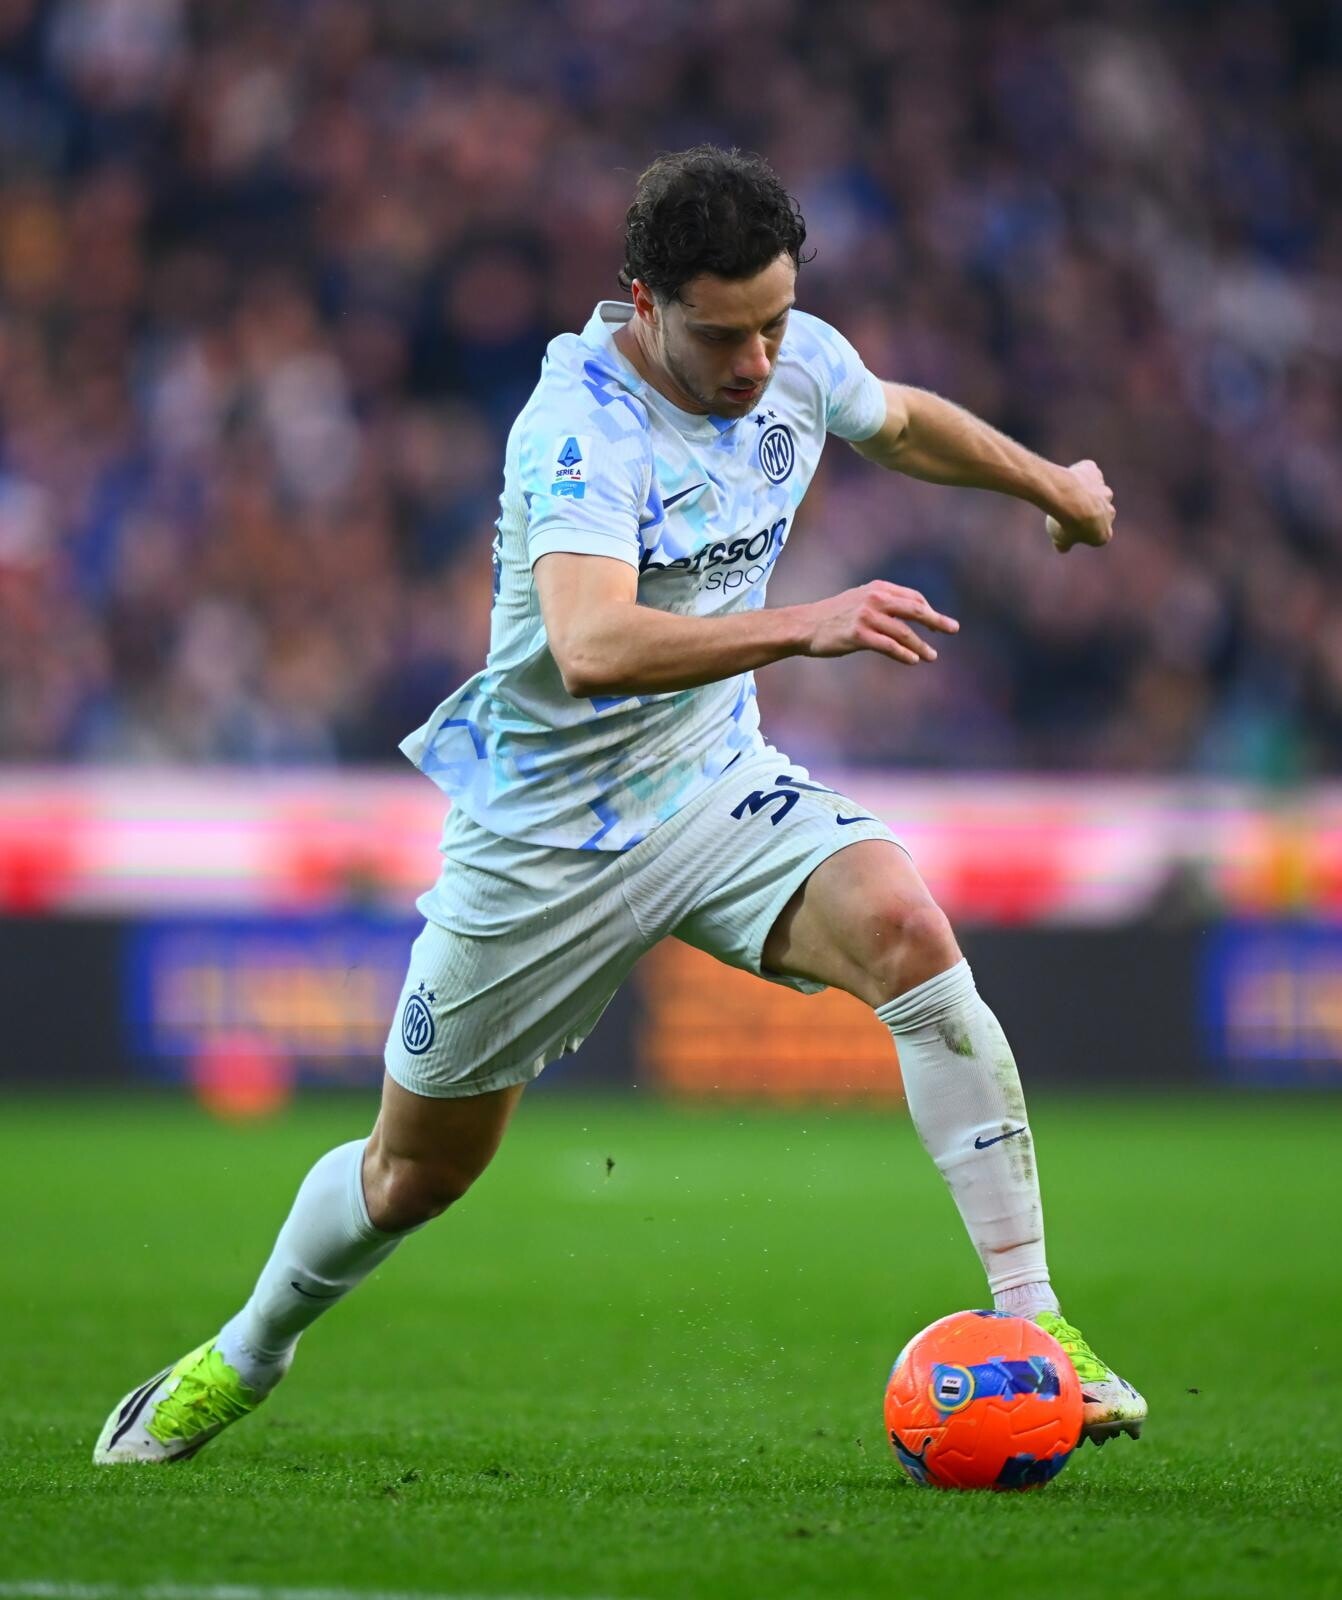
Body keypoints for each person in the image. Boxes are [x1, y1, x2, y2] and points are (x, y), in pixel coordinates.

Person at [95, 146, 1144, 1466]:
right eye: (724, 334)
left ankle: (1038, 1324)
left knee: (907, 932)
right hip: (542, 840)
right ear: (644, 303)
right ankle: (244, 1353)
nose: (758, 361)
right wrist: (805, 624)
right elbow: (590, 645)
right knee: (413, 1176)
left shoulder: (793, 355)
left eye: (774, 322)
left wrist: (1052, 486)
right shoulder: (577, 426)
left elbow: (892, 417)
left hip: (710, 782)